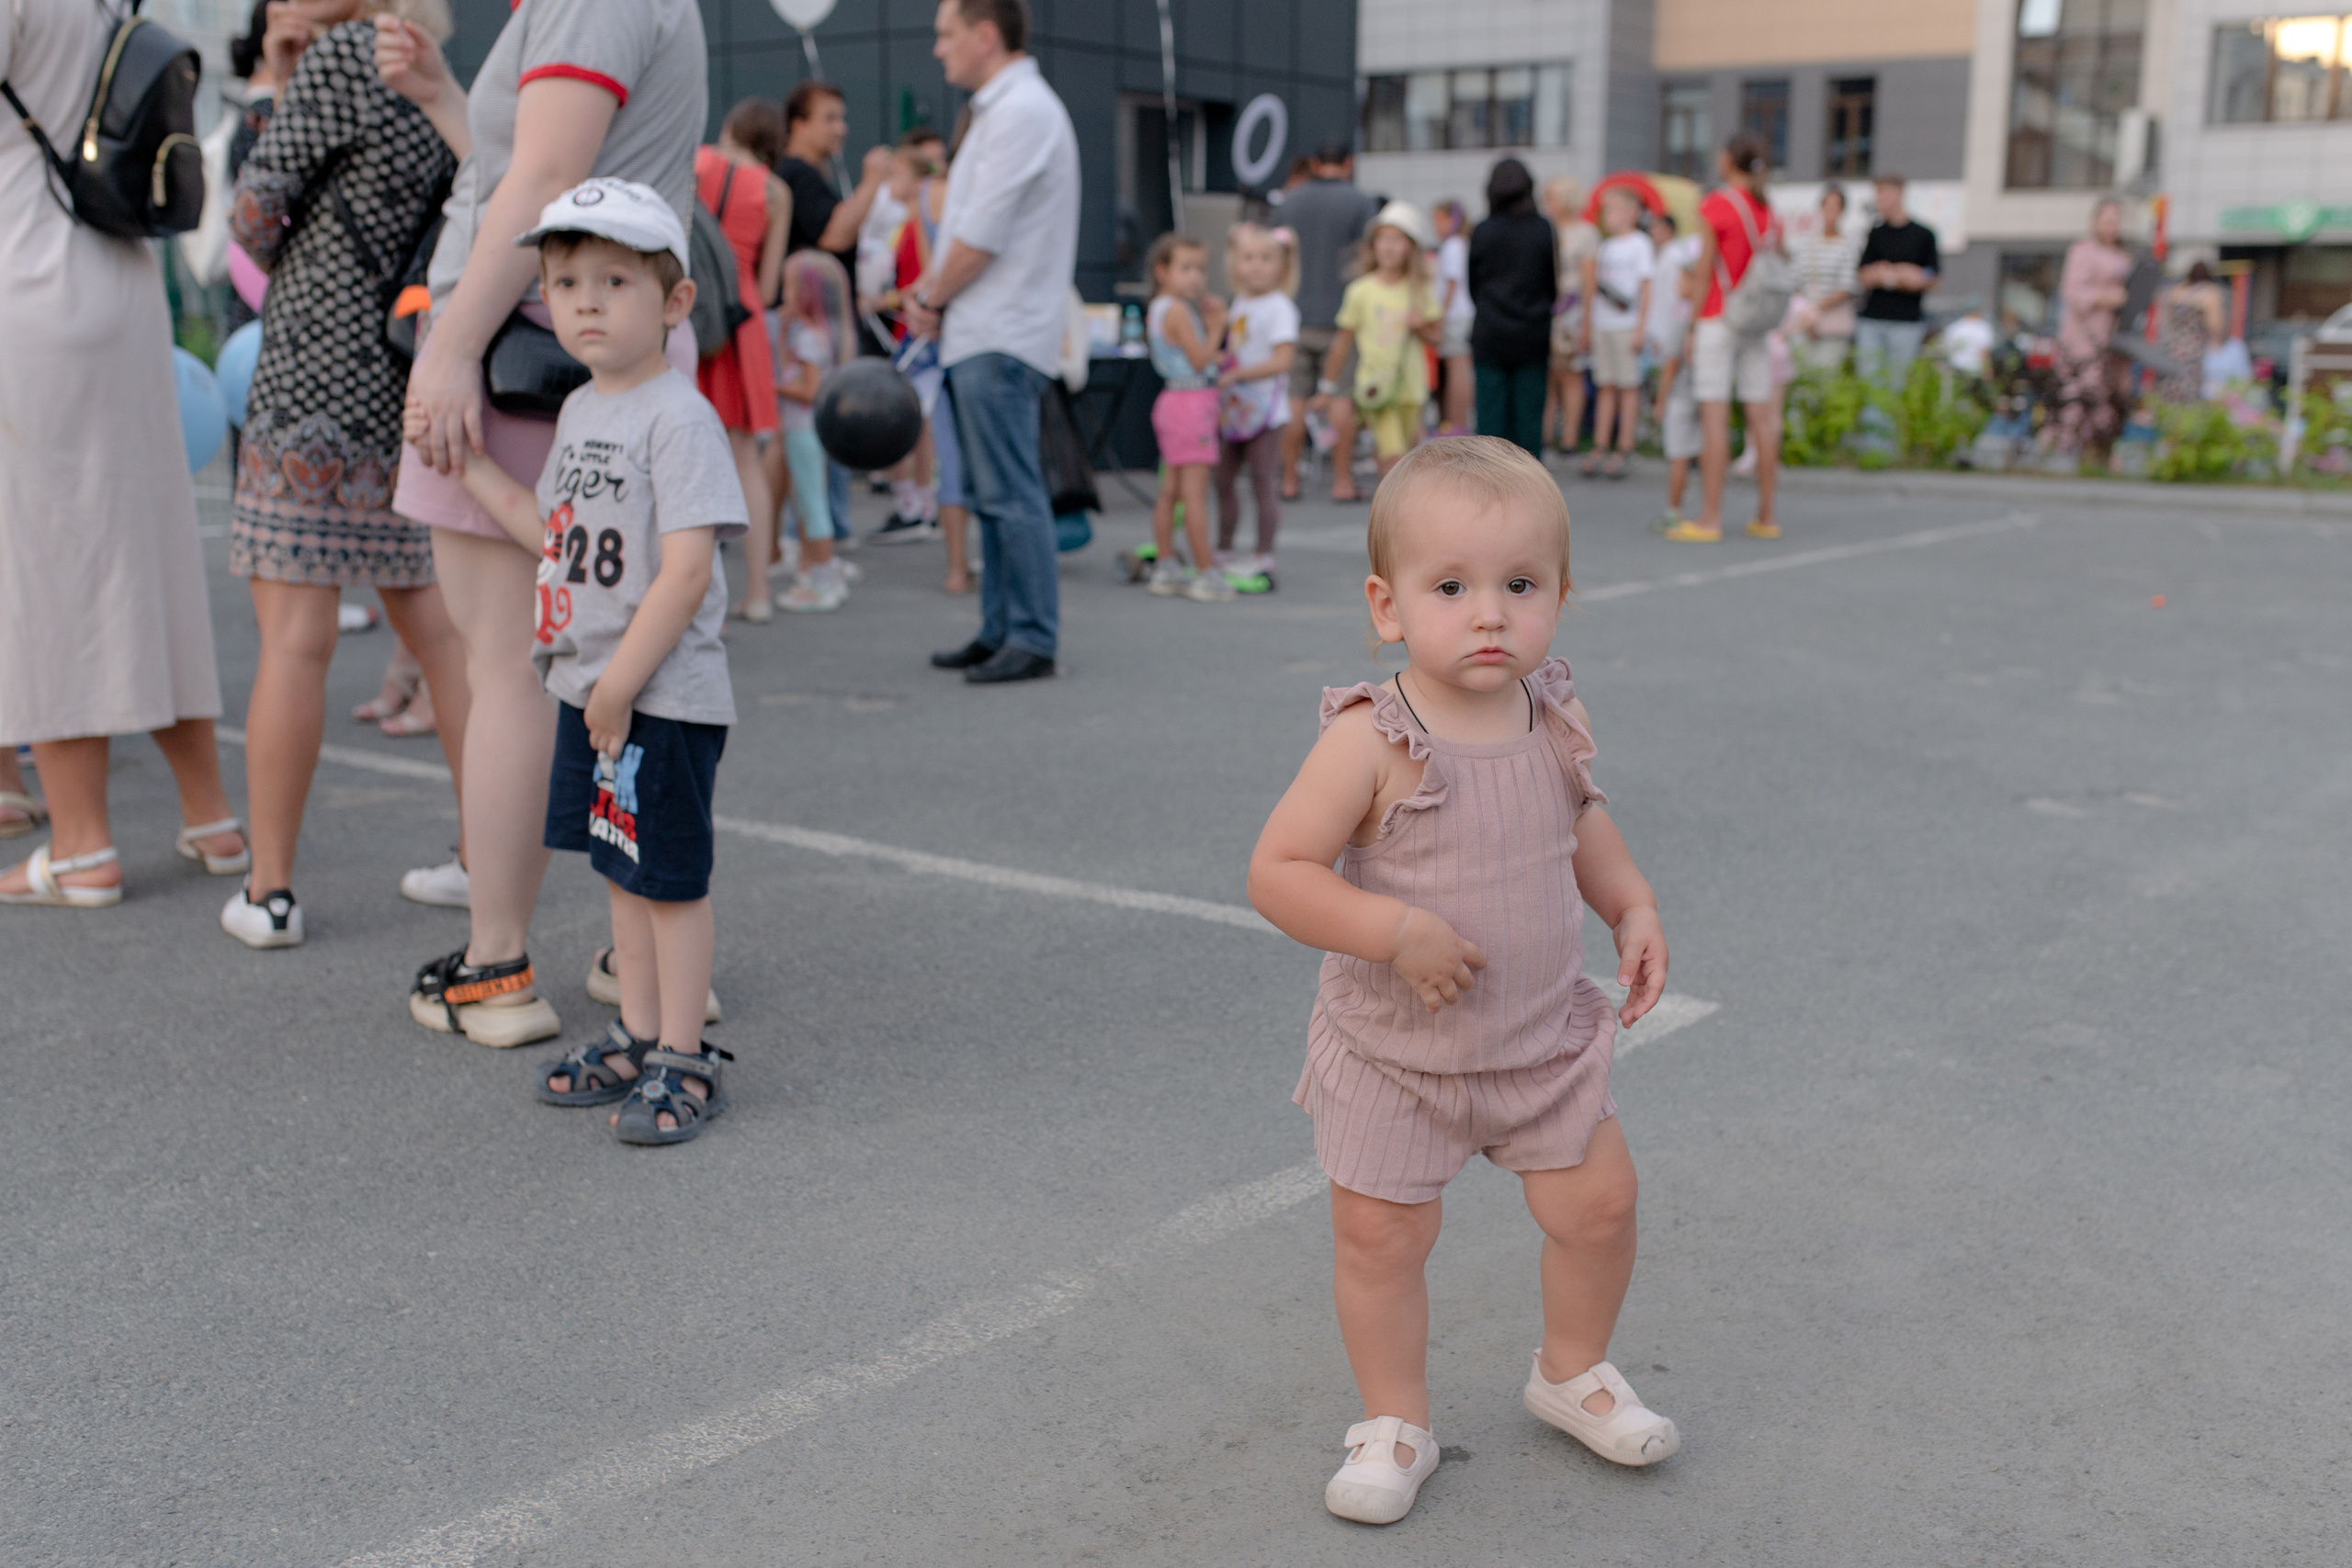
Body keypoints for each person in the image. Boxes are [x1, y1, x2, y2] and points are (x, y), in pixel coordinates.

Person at [1246, 436, 1677, 1527]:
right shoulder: (1371, 738)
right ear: (1388, 606)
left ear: (1560, 598)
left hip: (1540, 1043)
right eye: (1452, 588)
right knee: (1382, 1238)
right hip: (1397, 1057)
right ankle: (1394, 1420)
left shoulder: (1547, 715)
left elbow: (1582, 822)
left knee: (1601, 1207)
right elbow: (1278, 872)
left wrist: (1629, 906)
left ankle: (1570, 1369)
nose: (1490, 615)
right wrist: (1391, 928)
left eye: (1519, 587)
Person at [383, 0, 708, 1047]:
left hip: (539, 361)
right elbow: (540, 169)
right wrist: (445, 97)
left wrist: (444, 348)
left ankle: (497, 966)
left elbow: (542, 182)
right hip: (604, 357)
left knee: (511, 669)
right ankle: (650, 960)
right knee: (625, 665)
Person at [423, 179, 744, 1144]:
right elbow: (547, 532)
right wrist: (471, 467)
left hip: (656, 695)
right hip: (591, 692)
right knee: (620, 871)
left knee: (671, 883)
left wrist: (617, 686)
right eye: (565, 283)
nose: (588, 301)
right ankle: (640, 1034)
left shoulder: (676, 418)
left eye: (615, 280)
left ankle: (686, 1056)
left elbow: (685, 574)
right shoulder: (581, 414)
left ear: (674, 303)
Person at [220, 0, 468, 949]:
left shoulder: (336, 63)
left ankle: (272, 892)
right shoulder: (427, 60)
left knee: (293, 637)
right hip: (405, 379)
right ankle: (482, 854)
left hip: (310, 383)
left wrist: (276, 88)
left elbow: (252, 220)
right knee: (438, 633)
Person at [1, 0, 249, 908]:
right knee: (153, 553)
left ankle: (80, 846)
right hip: (121, 269)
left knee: (47, 570)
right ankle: (212, 816)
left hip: (26, 282)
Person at [909, 0, 1081, 686]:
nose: (937, 49)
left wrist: (927, 296)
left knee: (1009, 490)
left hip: (1000, 329)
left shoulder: (1019, 110)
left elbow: (980, 235)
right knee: (991, 491)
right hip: (987, 329)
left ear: (986, 35)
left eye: (946, 34)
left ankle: (1031, 636)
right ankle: (1003, 627)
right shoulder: (1005, 107)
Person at [774, 80, 895, 545]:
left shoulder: (807, 176)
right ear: (798, 125)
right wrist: (872, 182)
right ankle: (817, 538)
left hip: (821, 334)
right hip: (813, 340)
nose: (840, 129)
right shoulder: (798, 175)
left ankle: (819, 537)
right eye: (829, 118)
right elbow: (834, 234)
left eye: (842, 117)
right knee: (815, 440)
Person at [1661, 133, 1782, 544]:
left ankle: (1711, 516)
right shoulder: (1767, 208)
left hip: (1718, 316)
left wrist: (1692, 327)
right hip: (1756, 322)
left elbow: (1704, 270)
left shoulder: (1716, 205)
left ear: (1729, 159)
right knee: (1762, 419)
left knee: (1715, 418)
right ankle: (1766, 514)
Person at [698, 102, 792, 623]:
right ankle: (758, 591)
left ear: (731, 126)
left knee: (680, 455)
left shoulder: (696, 161)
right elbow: (772, 283)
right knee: (745, 458)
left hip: (693, 312)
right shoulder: (777, 191)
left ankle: (689, 597)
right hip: (744, 318)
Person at [881, 132, 979, 593]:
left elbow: (931, 275)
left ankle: (957, 567)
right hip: (970, 335)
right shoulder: (952, 195)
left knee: (948, 453)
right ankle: (969, 565)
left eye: (893, 174)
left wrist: (890, 299)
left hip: (939, 342)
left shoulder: (927, 199)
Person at [1279, 141, 1381, 502]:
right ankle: (1342, 482)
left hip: (1294, 315)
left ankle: (1289, 480)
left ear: (1314, 161)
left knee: (1293, 400)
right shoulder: (1359, 202)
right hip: (1341, 318)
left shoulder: (1289, 202)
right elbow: (1370, 256)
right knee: (1341, 399)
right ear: (1348, 163)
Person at [1136, 234, 1235, 602]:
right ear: (1163, 272)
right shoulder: (1177, 310)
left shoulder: (1161, 307)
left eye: (1200, 269)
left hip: (1174, 402)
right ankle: (1206, 572)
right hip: (1190, 405)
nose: (1196, 277)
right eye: (1186, 268)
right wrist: (1216, 327)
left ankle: (1166, 566)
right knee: (1193, 494)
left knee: (1171, 491)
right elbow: (1200, 359)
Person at [1324, 202, 1441, 485]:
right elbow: (1343, 341)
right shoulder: (1360, 290)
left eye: (1397, 239)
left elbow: (1438, 336)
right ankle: (1393, 515)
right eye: (1383, 239)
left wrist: (1420, 327)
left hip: (1411, 385)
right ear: (1373, 245)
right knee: (1393, 456)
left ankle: (1404, 511)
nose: (1389, 247)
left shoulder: (1419, 290)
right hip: (1377, 387)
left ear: (1410, 248)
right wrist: (1327, 386)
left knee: (1411, 454)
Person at [1214, 222, 1298, 590]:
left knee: (1263, 483)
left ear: (1282, 265)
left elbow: (1282, 361)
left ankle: (1264, 553)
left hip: (1266, 414)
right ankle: (1223, 549)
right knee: (1222, 480)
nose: (1256, 266)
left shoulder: (1280, 307)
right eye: (1248, 258)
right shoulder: (1240, 303)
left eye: (1266, 258)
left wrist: (1238, 375)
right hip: (1235, 411)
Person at [774, 249, 857, 613]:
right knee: (809, 502)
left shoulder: (809, 338)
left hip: (804, 431)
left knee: (811, 505)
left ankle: (823, 581)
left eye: (789, 287)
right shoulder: (818, 334)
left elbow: (808, 391)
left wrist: (770, 387)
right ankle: (817, 569)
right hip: (807, 432)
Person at [1466, 157, 1556, 457]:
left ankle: (1492, 485)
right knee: (1529, 417)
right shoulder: (1543, 228)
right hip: (1533, 333)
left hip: (1490, 332)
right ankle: (1531, 488)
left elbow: (1473, 286)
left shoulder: (1483, 230)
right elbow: (1550, 284)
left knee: (1490, 416)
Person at [1578, 186, 1654, 480]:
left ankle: (1625, 445)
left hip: (1626, 325)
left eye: (1613, 210)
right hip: (1603, 323)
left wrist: (1641, 328)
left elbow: (1647, 288)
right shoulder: (1606, 246)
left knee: (1628, 386)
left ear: (1632, 213)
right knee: (1605, 385)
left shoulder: (1640, 244)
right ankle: (1600, 444)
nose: (1608, 217)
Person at [2052, 197, 2135, 461]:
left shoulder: (2122, 255)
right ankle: (2067, 451)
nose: (2112, 226)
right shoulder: (2083, 251)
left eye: (2116, 221)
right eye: (2107, 220)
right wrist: (2109, 297)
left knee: (2109, 396)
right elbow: (2074, 293)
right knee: (2080, 393)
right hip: (2084, 336)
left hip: (2115, 336)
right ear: (2096, 221)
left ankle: (2097, 453)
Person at [1853, 174, 1939, 387]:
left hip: (1907, 322)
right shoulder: (1875, 233)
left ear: (1899, 193)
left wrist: (1888, 274)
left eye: (1883, 194)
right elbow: (1865, 275)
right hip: (1872, 320)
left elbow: (1929, 277)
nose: (1879, 200)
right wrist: (1903, 275)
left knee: (1896, 384)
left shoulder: (1924, 235)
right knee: (1869, 383)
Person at [1543, 175, 1600, 457]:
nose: (1547, 202)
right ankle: (1546, 435)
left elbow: (1589, 282)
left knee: (1570, 376)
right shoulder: (1545, 229)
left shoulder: (1585, 233)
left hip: (1572, 314)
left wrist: (1587, 322)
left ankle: (1570, 438)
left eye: (1552, 196)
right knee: (1548, 374)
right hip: (1547, 311)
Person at [1791, 184, 1860, 371]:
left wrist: (1814, 312)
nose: (1831, 212)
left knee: (1827, 376)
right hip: (1804, 322)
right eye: (1827, 206)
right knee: (1802, 377)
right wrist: (1806, 313)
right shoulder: (1806, 242)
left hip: (1831, 324)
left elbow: (1847, 285)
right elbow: (1795, 280)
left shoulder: (1850, 242)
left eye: (1836, 207)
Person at [1430, 198, 1475, 436]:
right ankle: (1455, 423)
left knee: (1458, 369)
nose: (1435, 226)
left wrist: (1441, 315)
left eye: (1439, 220)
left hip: (1455, 315)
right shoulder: (1457, 244)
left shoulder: (1454, 245)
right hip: (1458, 315)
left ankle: (1457, 424)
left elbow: (1451, 284)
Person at [2157, 261, 2225, 405]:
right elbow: (2214, 324)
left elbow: (2167, 320)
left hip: (2171, 347)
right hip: (2192, 350)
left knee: (2168, 391)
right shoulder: (2209, 293)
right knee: (2187, 393)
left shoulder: (2177, 290)